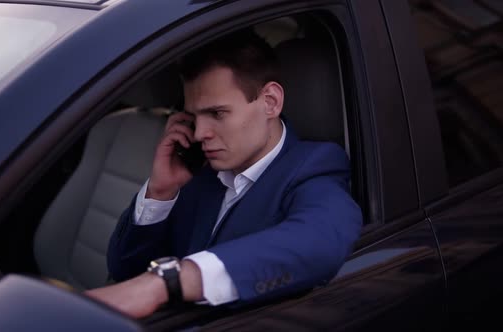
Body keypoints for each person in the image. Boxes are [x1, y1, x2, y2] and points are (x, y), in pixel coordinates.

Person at [84, 29, 362, 318]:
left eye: (217, 114)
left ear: (270, 102)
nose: (201, 133)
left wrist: (168, 282)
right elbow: (124, 271)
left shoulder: (314, 166)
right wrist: (161, 193)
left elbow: (320, 239)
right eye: (194, 117)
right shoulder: (199, 175)